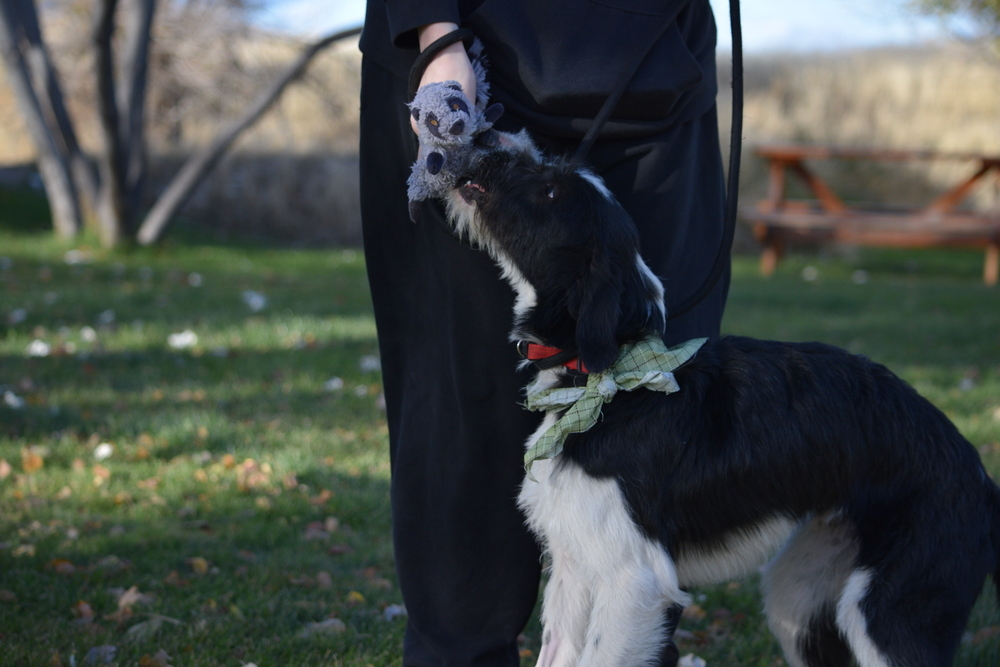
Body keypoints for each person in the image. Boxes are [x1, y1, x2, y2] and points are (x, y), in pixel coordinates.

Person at [358, 2, 729, 665]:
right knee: (463, 424)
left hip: (660, 78)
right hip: (461, 68)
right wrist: (436, 40)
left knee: (650, 426)